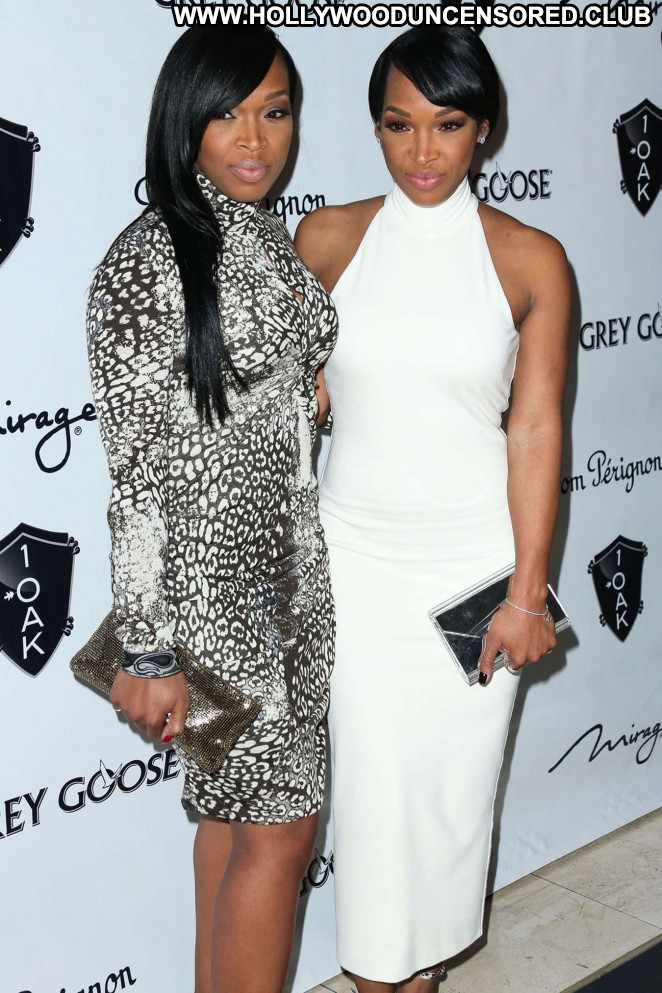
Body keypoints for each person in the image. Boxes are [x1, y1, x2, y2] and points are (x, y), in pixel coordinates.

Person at [295, 25, 570, 993]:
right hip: (356, 565)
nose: (421, 151)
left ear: (483, 128)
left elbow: (534, 432)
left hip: (473, 574)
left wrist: (527, 593)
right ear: (373, 126)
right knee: (377, 817)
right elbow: (297, 405)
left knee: (451, 813)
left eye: (446, 125)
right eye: (397, 124)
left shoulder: (531, 259)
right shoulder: (327, 240)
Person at [87, 25, 337, 993]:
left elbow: (261, 375)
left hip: (287, 587)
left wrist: (301, 386)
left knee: (234, 820)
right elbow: (135, 477)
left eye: (275, 111)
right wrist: (148, 652)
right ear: (183, 119)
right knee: (281, 829)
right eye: (227, 113)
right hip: (210, 607)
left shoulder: (258, 229)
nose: (255, 138)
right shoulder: (148, 261)